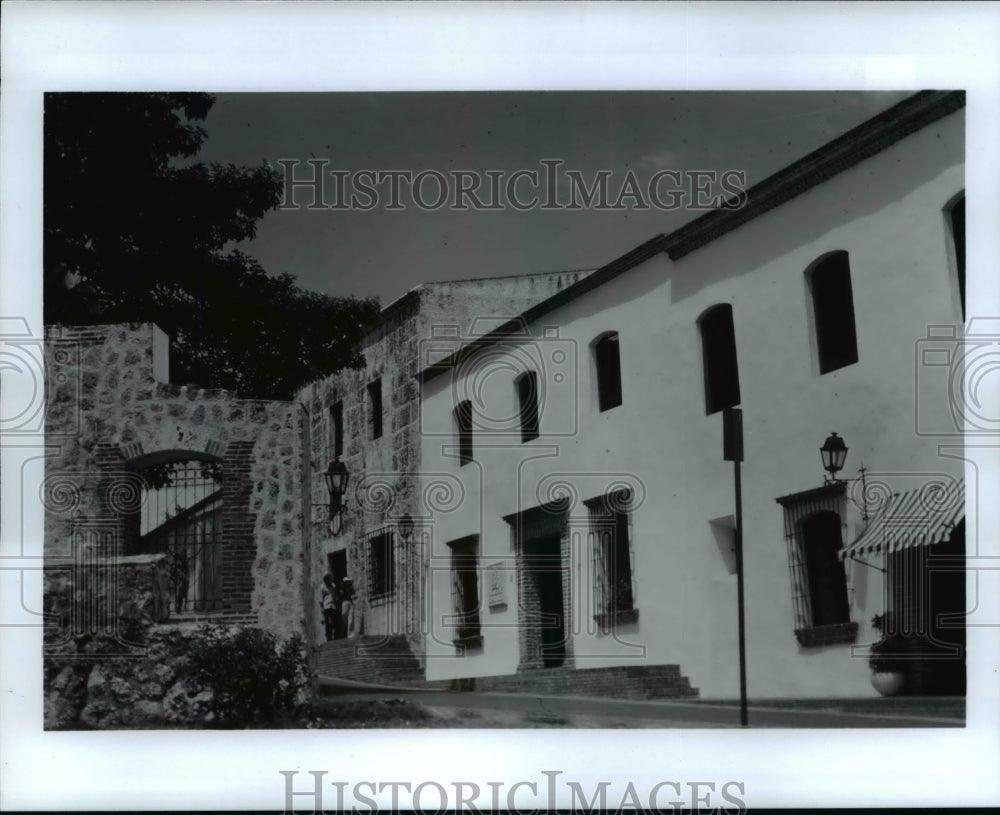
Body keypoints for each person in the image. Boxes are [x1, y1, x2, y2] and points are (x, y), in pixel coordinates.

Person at [320, 573, 337, 641]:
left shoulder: (333, 586)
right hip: (326, 606)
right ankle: (328, 638)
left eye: (330, 578)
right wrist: (322, 610)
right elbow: (321, 599)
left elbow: (334, 596)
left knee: (333, 622)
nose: (330, 579)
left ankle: (334, 636)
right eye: (328, 578)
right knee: (327, 623)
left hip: (332, 606)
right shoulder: (322, 587)